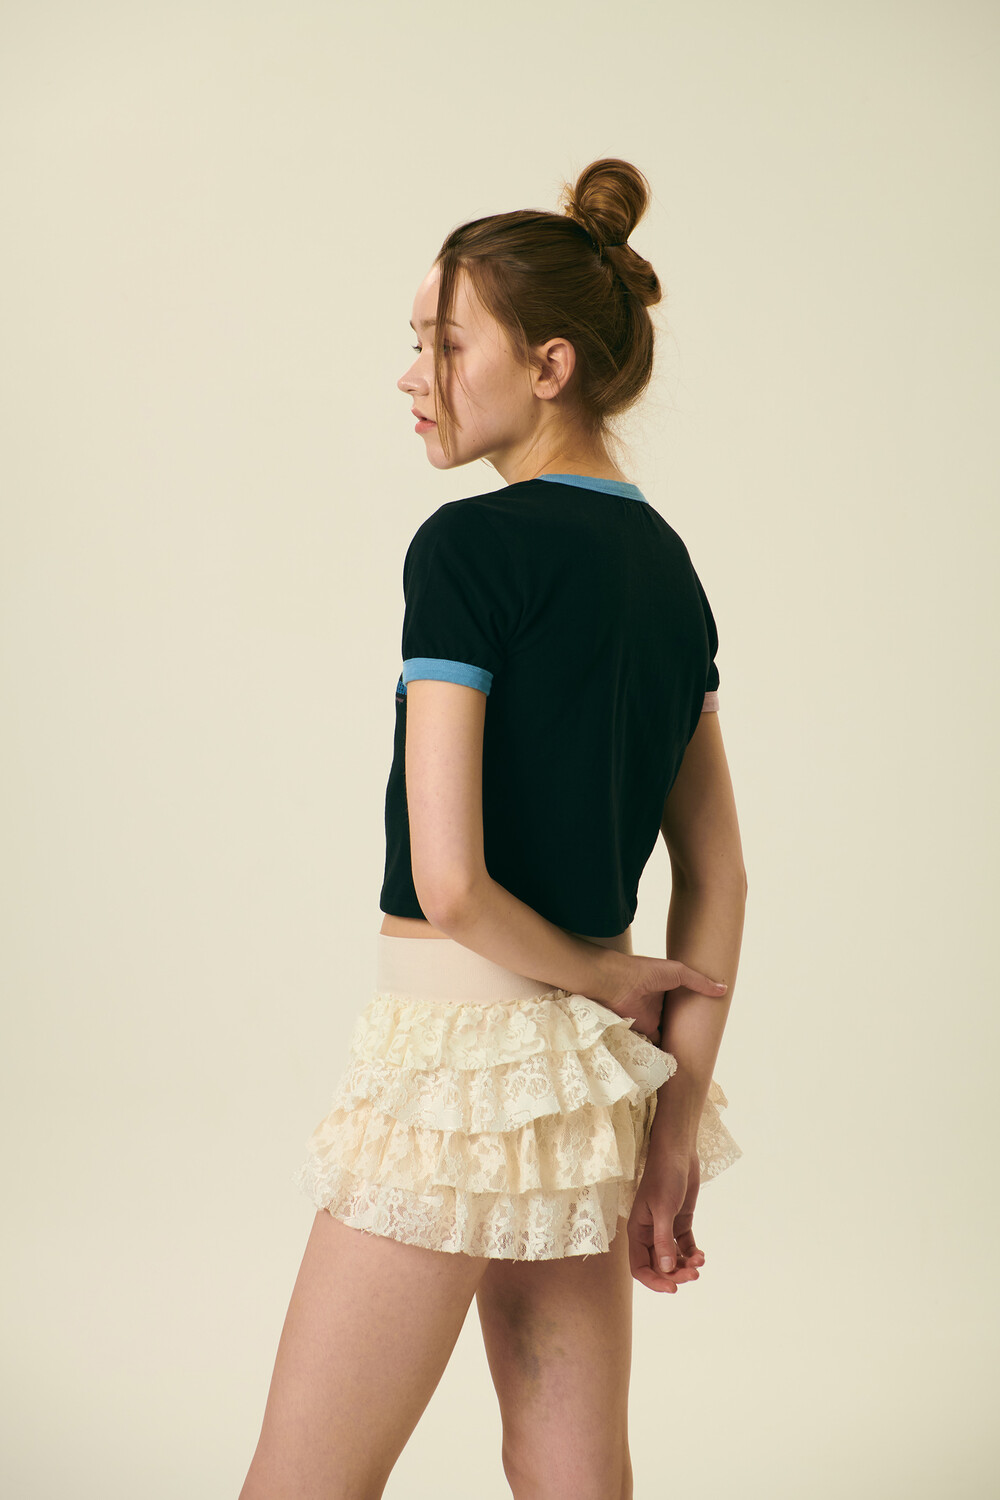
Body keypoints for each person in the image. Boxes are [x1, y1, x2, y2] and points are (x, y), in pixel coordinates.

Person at [239, 157, 748, 1500]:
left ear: (549, 366)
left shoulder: (465, 550)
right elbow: (719, 873)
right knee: (576, 1480)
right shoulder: (670, 569)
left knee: (301, 1482)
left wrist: (596, 974)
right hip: (583, 1088)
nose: (413, 374)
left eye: (444, 343)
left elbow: (452, 883)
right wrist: (672, 1121)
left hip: (457, 1061)